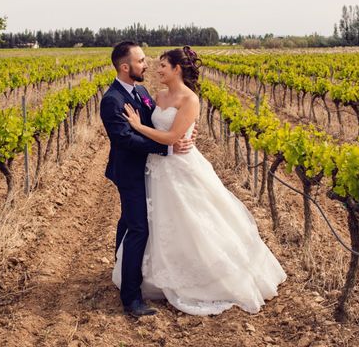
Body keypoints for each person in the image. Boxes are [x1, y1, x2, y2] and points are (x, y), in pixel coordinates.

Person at [116, 46, 287, 316]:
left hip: (180, 164)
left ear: (177, 69)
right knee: (158, 221)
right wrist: (150, 131)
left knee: (194, 218)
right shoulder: (156, 95)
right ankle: (153, 276)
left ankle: (207, 276)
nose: (156, 69)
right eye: (155, 64)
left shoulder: (190, 99)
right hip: (157, 166)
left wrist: (139, 127)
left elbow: (172, 137)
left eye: (163, 66)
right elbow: (159, 130)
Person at [99, 41, 195, 317]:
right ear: (126, 67)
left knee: (129, 221)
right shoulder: (112, 100)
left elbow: (160, 124)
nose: (147, 64)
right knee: (139, 228)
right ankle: (131, 297)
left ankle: (120, 267)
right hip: (129, 172)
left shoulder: (140, 90)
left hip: (149, 168)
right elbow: (125, 139)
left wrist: (182, 135)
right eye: (141, 60)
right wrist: (166, 147)